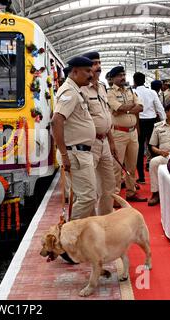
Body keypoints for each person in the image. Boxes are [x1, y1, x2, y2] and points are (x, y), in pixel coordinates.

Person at [51, 56, 97, 220]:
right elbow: (56, 120)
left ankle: (86, 237)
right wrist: (64, 155)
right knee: (88, 198)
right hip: (75, 153)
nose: (90, 75)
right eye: (87, 71)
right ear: (75, 71)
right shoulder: (70, 91)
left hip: (79, 153)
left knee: (83, 197)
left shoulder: (76, 89)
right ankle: (70, 236)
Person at [79, 52, 116, 215]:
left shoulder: (101, 87)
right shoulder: (81, 90)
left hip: (105, 143)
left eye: (99, 63)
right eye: (94, 63)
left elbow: (106, 115)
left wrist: (112, 141)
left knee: (109, 183)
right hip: (89, 144)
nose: (98, 66)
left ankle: (106, 218)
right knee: (89, 187)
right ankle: (88, 224)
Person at [107, 66, 147, 202]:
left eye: (124, 74)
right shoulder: (110, 93)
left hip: (132, 133)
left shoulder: (131, 91)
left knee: (132, 165)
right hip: (118, 133)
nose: (122, 77)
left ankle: (131, 192)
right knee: (116, 167)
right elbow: (118, 107)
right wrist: (129, 108)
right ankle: (116, 197)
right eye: (119, 75)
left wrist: (125, 110)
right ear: (112, 78)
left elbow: (141, 107)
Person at [133, 72, 166, 184]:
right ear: (144, 80)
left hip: (138, 123)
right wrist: (164, 122)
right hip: (151, 122)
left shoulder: (133, 92)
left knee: (139, 149)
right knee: (153, 148)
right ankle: (158, 176)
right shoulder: (152, 92)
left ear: (134, 81)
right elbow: (160, 108)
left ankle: (141, 177)